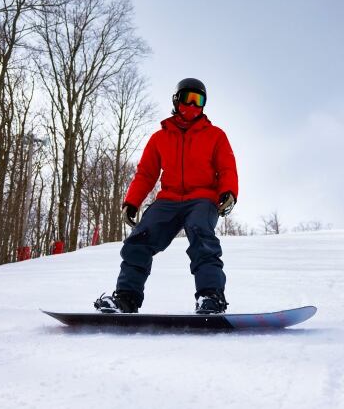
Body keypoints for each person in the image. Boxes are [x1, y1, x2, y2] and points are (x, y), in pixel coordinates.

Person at [94, 78, 238, 314]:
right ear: (176, 100)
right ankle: (126, 298)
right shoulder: (160, 138)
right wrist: (132, 202)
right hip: (169, 200)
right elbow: (146, 174)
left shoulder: (215, 135)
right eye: (187, 98)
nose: (192, 104)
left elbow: (227, 168)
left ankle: (211, 297)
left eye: (198, 100)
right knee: (139, 240)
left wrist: (228, 192)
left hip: (202, 199)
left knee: (201, 234)